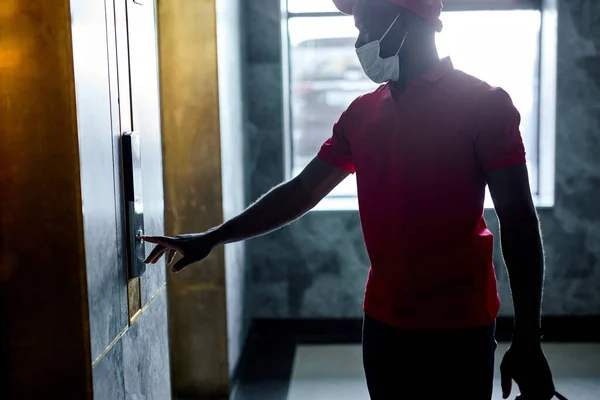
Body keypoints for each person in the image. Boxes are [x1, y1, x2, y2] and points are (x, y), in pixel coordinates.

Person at [144, 0, 558, 398]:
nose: (359, 40)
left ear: (407, 21)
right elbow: (303, 191)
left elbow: (519, 221)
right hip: (383, 323)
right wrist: (213, 237)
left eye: (366, 24)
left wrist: (527, 339)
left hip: (459, 326)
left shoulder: (485, 106)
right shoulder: (362, 115)